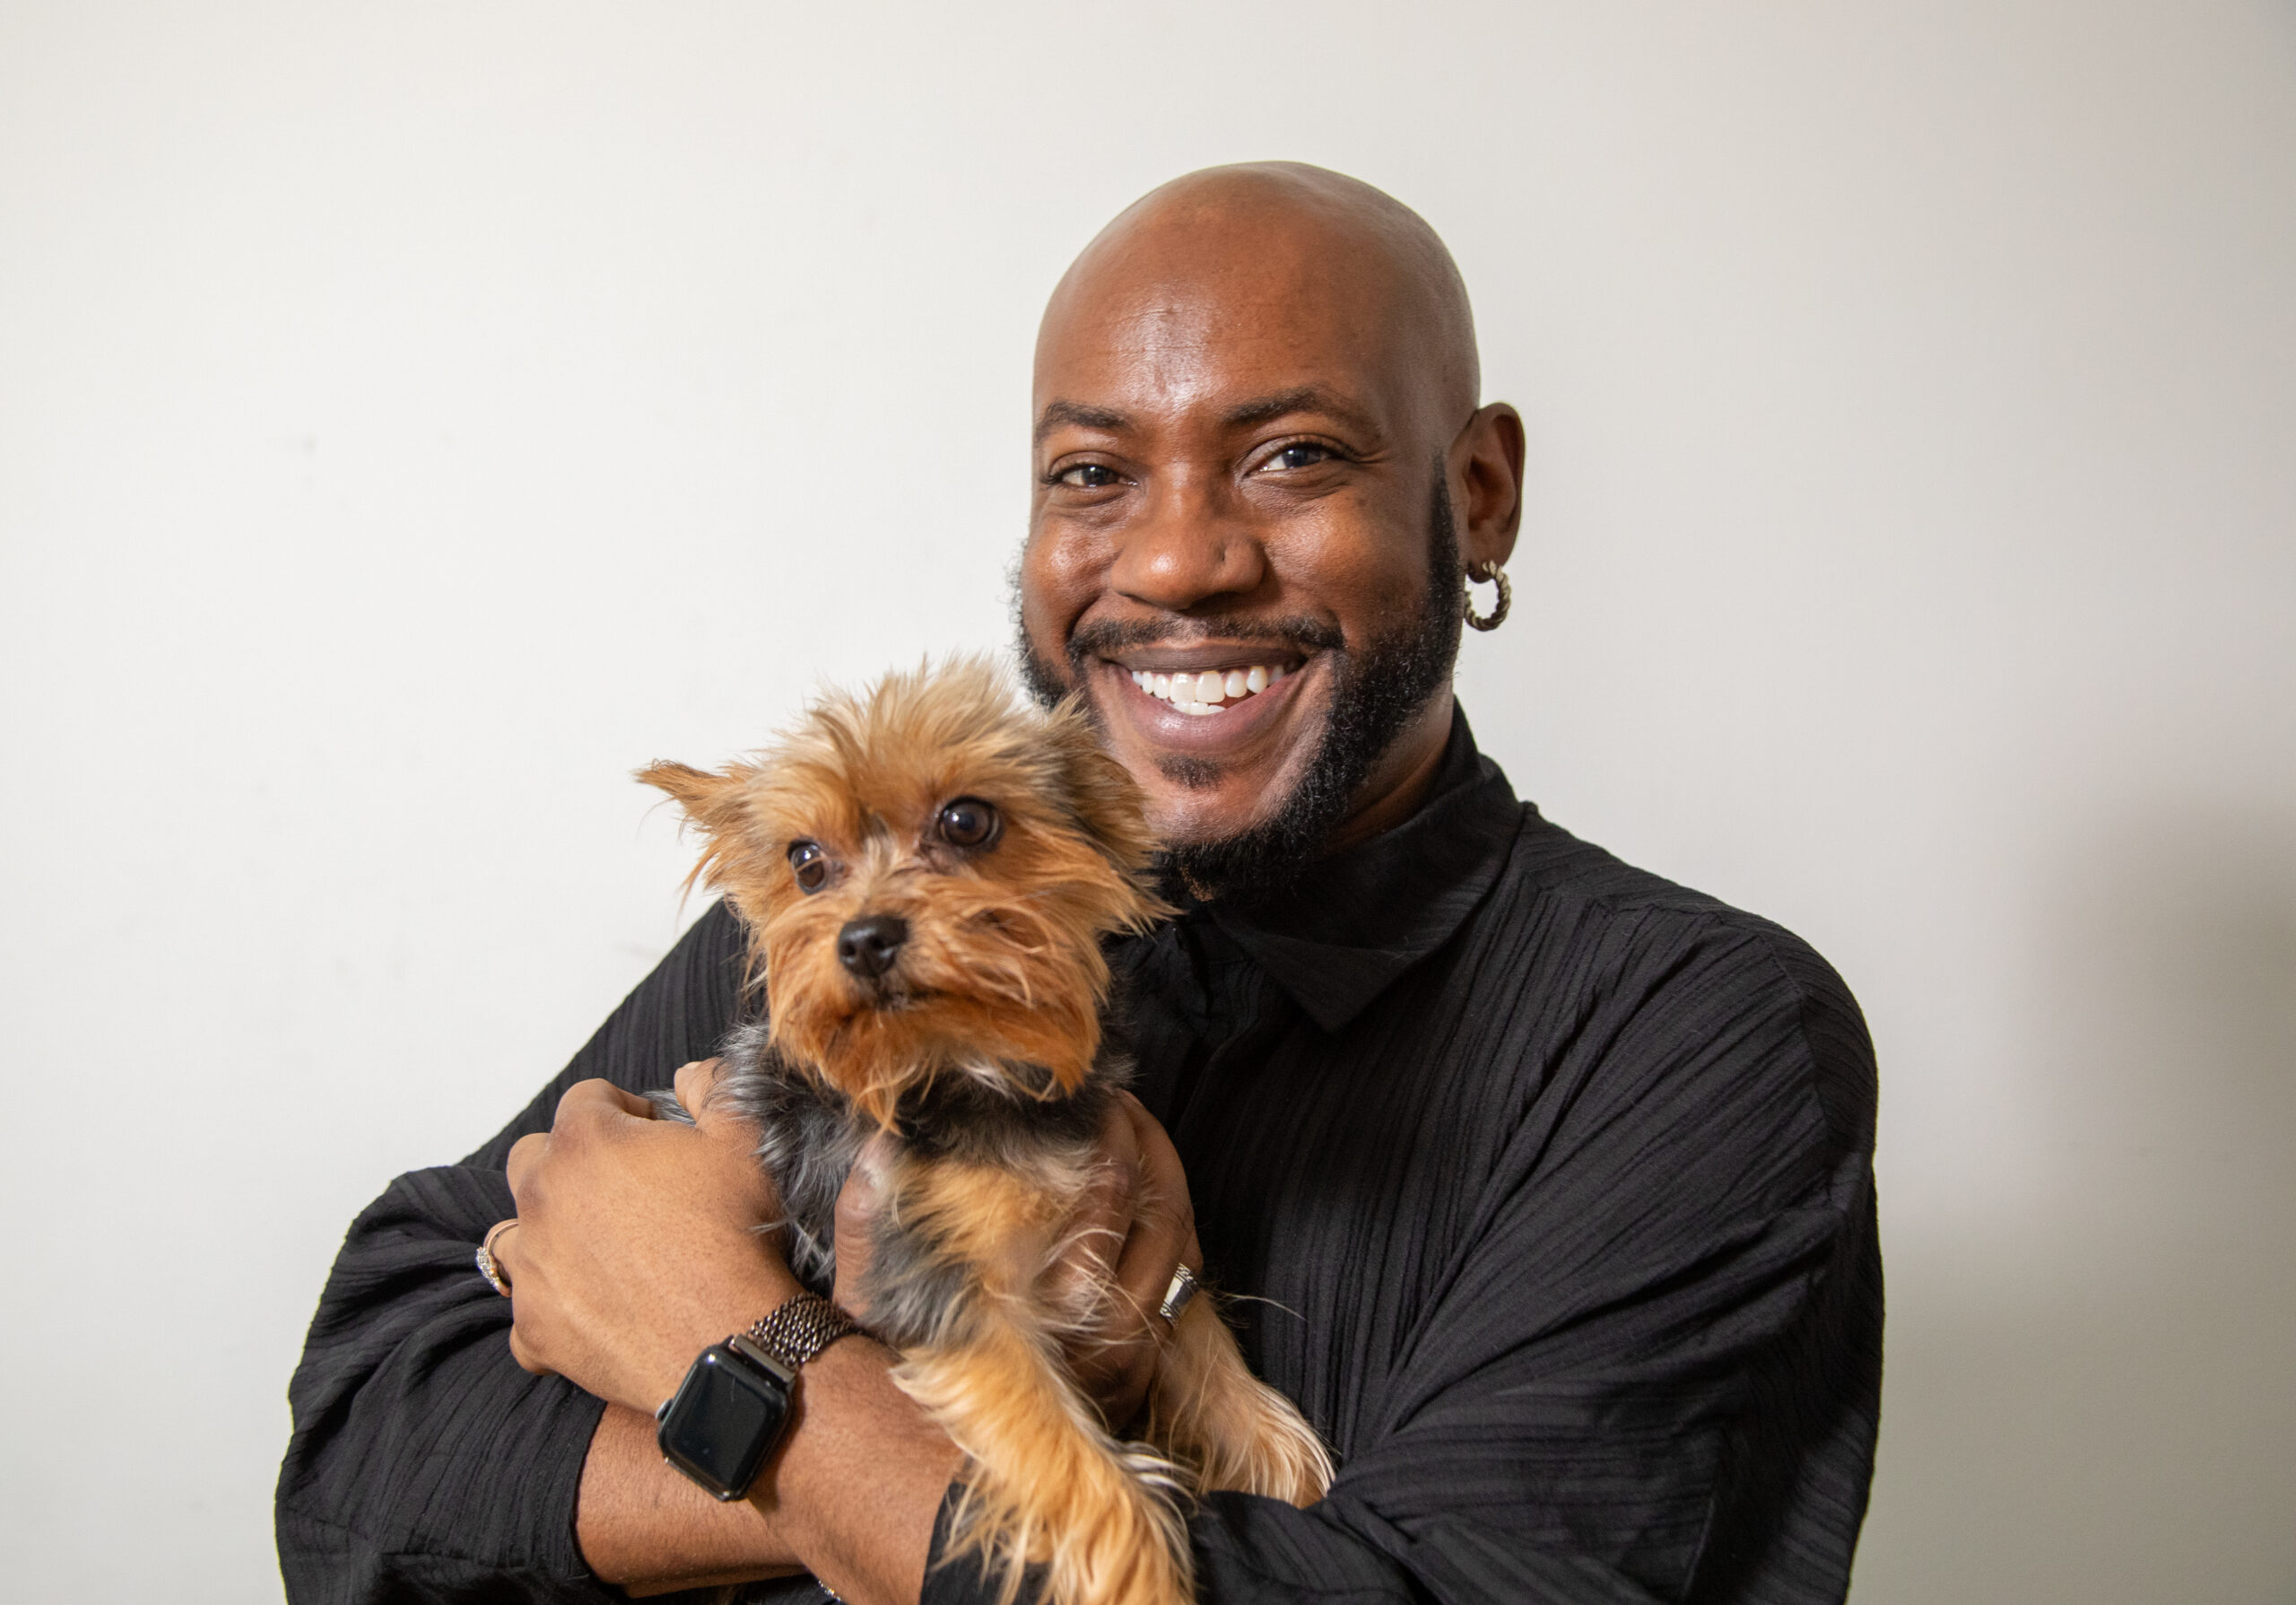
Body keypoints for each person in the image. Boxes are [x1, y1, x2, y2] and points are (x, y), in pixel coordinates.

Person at [277, 161, 1882, 1605]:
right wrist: (870, 1453)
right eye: (1093, 474)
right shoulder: (845, 932)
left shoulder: (1697, 1039)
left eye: (1292, 455)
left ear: (1476, 496)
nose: (1176, 561)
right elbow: (364, 1456)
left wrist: (743, 1352)